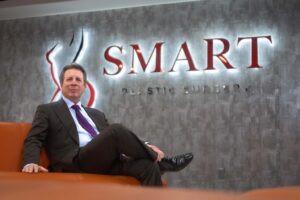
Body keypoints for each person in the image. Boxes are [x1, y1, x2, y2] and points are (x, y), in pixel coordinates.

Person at [22, 63, 193, 186]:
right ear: (61, 84)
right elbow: (34, 138)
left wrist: (146, 145)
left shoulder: (96, 114)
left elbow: (114, 142)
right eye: (69, 79)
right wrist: (29, 162)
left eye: (78, 80)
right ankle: (165, 163)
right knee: (116, 130)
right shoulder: (47, 110)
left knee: (148, 167)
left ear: (84, 87)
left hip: (106, 162)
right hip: (75, 162)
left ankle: (156, 163)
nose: (73, 82)